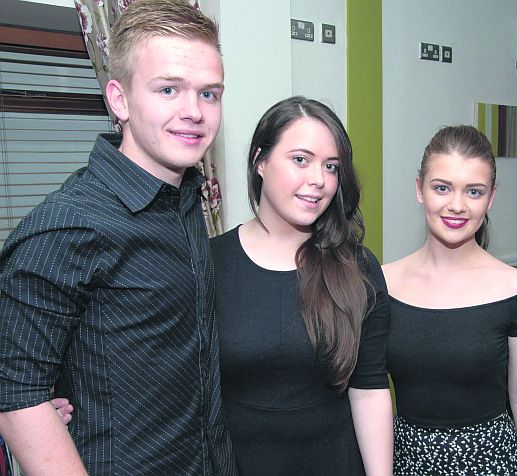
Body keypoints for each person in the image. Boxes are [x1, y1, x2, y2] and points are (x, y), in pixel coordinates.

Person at [0, 0, 235, 474]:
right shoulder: (67, 226)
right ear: (119, 99)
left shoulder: (187, 202)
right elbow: (15, 396)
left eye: (209, 94)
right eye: (169, 89)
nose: (194, 112)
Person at [211, 96, 393, 475]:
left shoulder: (357, 267)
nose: (319, 180)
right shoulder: (209, 263)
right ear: (260, 160)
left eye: (331, 167)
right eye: (300, 160)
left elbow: (370, 388)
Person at [383, 125, 517, 475]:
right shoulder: (383, 284)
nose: (457, 206)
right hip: (409, 461)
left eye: (474, 191)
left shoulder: (513, 287)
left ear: (491, 197)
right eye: (442, 188)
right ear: (419, 189)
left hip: (494, 462)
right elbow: (369, 393)